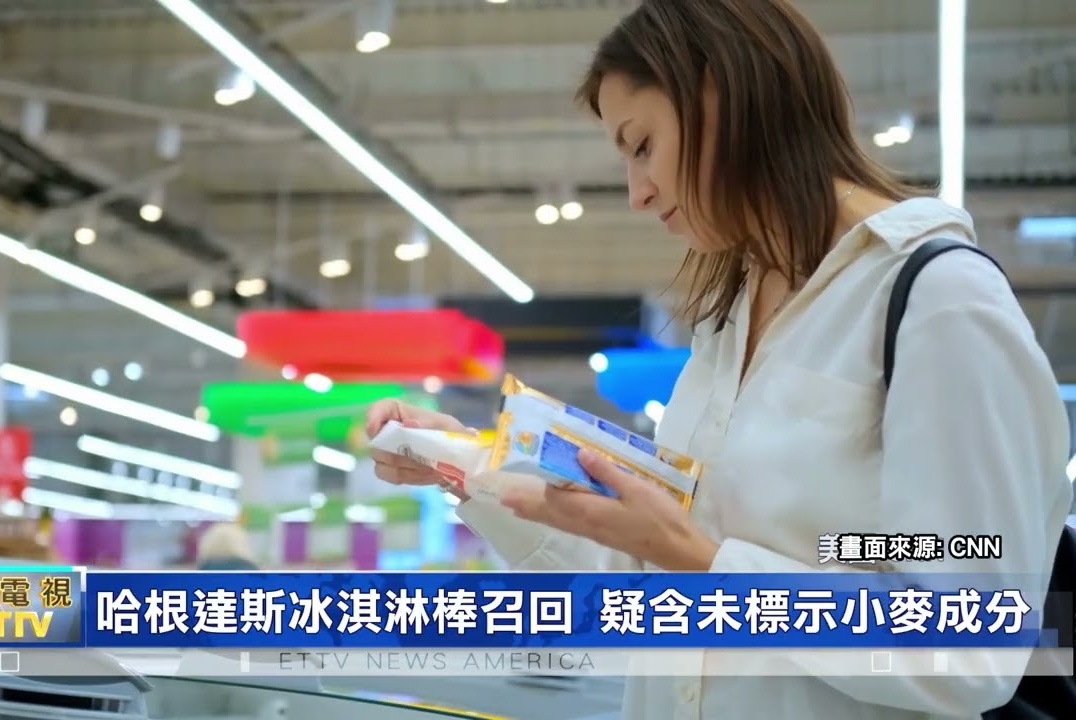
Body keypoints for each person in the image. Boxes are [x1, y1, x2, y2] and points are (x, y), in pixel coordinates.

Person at [365, 1, 1074, 718]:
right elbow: (650, 572)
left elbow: (970, 644)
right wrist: (467, 464)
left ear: (720, 94)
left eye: (643, 146)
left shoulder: (940, 301)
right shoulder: (731, 321)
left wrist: (708, 567)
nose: (637, 193)